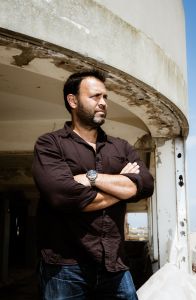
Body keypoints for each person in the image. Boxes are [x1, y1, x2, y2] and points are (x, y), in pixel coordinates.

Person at [32, 69, 154, 300]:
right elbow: (63, 196)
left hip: (115, 266)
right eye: (95, 96)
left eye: (105, 97)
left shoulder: (121, 147)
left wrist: (91, 178)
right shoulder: (50, 144)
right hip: (65, 269)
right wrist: (125, 188)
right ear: (73, 100)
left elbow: (146, 184)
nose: (103, 103)